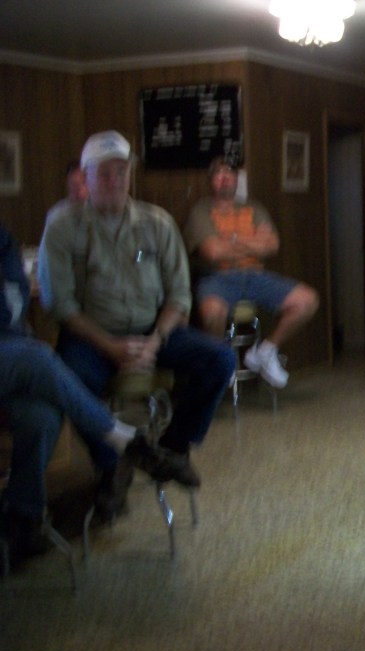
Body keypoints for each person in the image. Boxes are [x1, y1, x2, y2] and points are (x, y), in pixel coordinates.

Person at [37, 130, 235, 516]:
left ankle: (171, 450)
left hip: (153, 329)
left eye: (121, 172)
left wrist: (155, 341)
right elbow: (60, 304)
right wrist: (110, 347)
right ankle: (113, 464)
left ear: (130, 174)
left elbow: (179, 295)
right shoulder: (63, 226)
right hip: (91, 336)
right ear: (85, 176)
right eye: (103, 173)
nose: (114, 180)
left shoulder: (157, 223)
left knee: (221, 359)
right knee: (70, 380)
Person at [1, 223, 197, 562]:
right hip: (17, 353)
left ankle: (22, 520)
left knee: (40, 416)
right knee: (39, 358)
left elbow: (12, 305)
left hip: (11, 351)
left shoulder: (2, 239)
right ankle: (126, 441)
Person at [183, 156, 319, 389]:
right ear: (210, 180)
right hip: (217, 278)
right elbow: (213, 252)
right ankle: (222, 360)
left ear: (237, 179)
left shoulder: (254, 208)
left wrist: (231, 240)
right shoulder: (201, 211)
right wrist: (253, 242)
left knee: (308, 300)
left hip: (255, 276)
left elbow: (272, 245)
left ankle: (266, 351)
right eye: (219, 173)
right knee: (212, 312)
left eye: (230, 173)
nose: (225, 178)